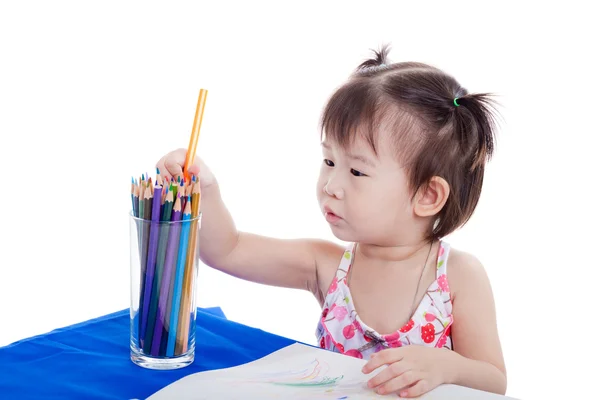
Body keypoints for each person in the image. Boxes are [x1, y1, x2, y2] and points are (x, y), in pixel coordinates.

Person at [156, 45, 507, 398]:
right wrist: (209, 190)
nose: (331, 185)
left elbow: (494, 379)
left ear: (428, 196)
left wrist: (444, 366)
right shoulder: (327, 266)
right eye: (328, 161)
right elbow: (228, 250)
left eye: (356, 170)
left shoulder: (457, 276)